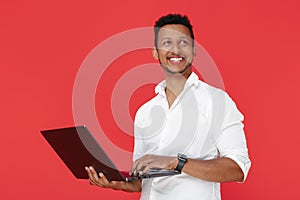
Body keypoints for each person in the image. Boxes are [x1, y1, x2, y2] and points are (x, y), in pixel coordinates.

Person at [85, 13, 251, 200]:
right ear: (156, 53)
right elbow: (144, 180)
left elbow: (238, 168)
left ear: (194, 51)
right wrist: (119, 184)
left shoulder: (217, 101)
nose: (175, 49)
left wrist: (176, 162)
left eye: (183, 42)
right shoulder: (145, 112)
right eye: (166, 43)